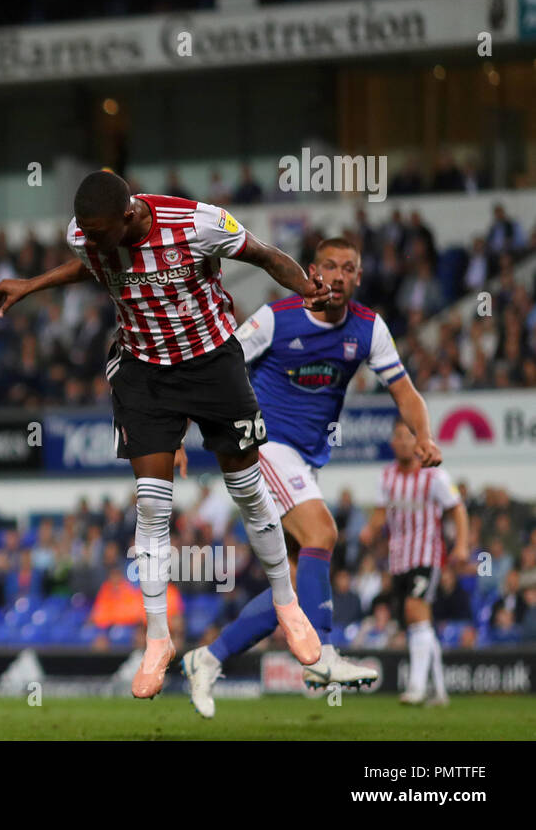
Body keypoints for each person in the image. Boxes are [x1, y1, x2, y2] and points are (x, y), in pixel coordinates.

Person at [0, 170, 328, 698]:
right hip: (145, 371)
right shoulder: (88, 235)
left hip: (212, 361)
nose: (91, 241)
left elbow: (263, 255)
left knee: (247, 491)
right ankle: (158, 637)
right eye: (86, 233)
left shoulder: (197, 223)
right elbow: (89, 265)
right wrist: (31, 285)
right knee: (151, 505)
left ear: (127, 217)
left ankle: (287, 602)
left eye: (100, 233)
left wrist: (306, 288)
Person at [181, 237, 446, 717]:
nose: (339, 276)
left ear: (359, 277)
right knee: (324, 529)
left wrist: (423, 435)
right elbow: (218, 368)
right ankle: (323, 656)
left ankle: (208, 658)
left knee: (298, 583)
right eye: (330, 266)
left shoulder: (368, 329)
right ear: (312, 271)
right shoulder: (276, 318)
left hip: (304, 459)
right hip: (261, 444)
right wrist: (178, 432)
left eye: (349, 268)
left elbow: (405, 392)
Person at [360, 418, 469, 706]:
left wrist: (461, 545)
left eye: (410, 436)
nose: (404, 442)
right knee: (417, 623)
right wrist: (370, 529)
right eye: (399, 436)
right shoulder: (386, 476)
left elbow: (457, 509)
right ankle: (440, 691)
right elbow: (381, 513)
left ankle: (417, 687)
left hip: (427, 556)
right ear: (393, 442)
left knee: (414, 610)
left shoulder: (434, 476)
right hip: (398, 560)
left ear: (418, 441)